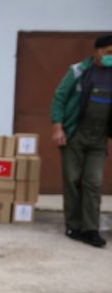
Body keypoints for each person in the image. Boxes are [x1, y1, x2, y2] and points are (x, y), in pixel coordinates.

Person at [51, 34, 112, 248]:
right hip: (75, 133)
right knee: (73, 179)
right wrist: (57, 126)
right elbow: (59, 97)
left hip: (99, 137)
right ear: (97, 51)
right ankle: (73, 226)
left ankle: (90, 229)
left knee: (93, 182)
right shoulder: (78, 71)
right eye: (109, 53)